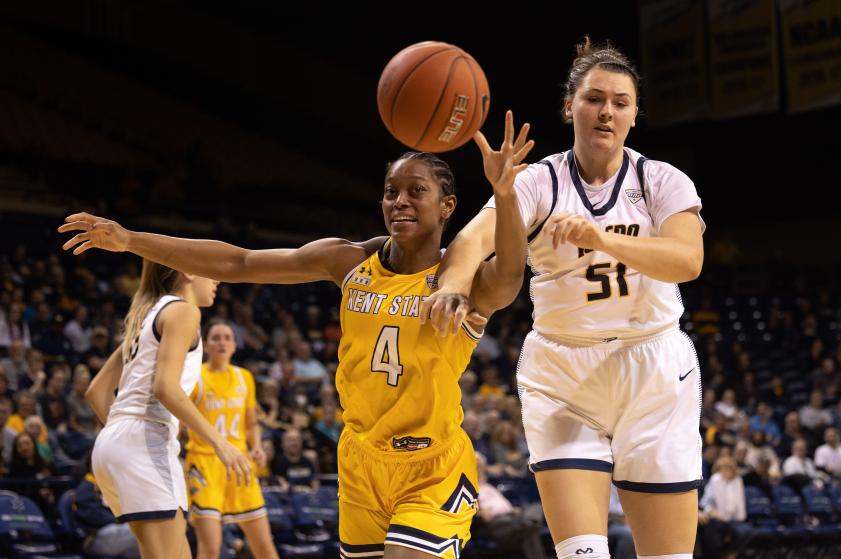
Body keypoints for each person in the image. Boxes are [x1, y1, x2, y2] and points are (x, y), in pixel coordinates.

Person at [59, 112, 534, 559]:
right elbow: (238, 262)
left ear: (447, 205)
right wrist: (131, 240)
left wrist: (506, 194)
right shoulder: (349, 261)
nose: (400, 202)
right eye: (391, 192)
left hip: (430, 468)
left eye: (416, 191)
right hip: (360, 461)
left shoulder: (460, 281)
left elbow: (511, 274)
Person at [424, 38, 705, 559]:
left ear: (635, 114)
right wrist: (451, 287)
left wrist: (601, 238)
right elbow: (470, 241)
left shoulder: (660, 179)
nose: (606, 112)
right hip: (565, 373)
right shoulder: (538, 181)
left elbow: (687, 260)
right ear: (569, 105)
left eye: (620, 102)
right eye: (595, 98)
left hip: (655, 371)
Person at [79, 260, 251, 559]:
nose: (218, 280)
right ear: (188, 271)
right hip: (143, 440)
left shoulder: (145, 317)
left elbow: (97, 391)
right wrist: (219, 442)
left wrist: (124, 438)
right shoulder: (184, 311)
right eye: (210, 270)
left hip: (113, 443)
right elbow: (165, 387)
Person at [185, 319, 278, 559]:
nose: (222, 342)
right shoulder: (195, 377)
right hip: (204, 464)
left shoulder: (244, 377)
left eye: (227, 337)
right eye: (216, 338)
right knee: (210, 548)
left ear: (235, 345)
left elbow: (251, 424)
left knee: (265, 547)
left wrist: (256, 446)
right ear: (205, 345)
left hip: (239, 464)